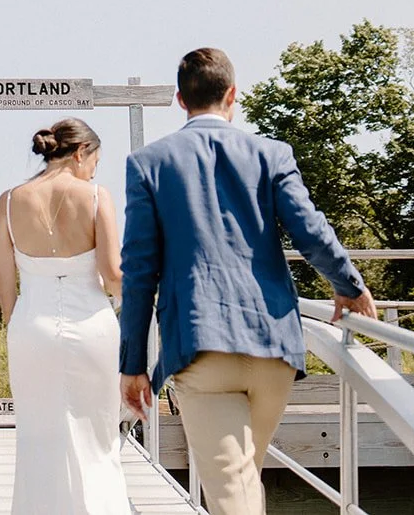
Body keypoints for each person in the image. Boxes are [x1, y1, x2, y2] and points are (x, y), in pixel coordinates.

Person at [120, 48, 377, 515]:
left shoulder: (148, 163)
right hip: (274, 344)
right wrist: (349, 285)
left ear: (180, 99)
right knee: (243, 484)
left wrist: (133, 363)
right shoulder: (272, 154)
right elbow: (311, 230)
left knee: (233, 494)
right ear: (233, 95)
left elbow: (139, 271)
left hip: (202, 348)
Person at [0, 117, 129, 515]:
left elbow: (5, 281)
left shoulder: (10, 200)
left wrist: (16, 322)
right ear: (82, 152)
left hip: (31, 329)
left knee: (37, 437)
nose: (93, 172)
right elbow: (113, 276)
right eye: (94, 162)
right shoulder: (97, 197)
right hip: (92, 329)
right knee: (98, 438)